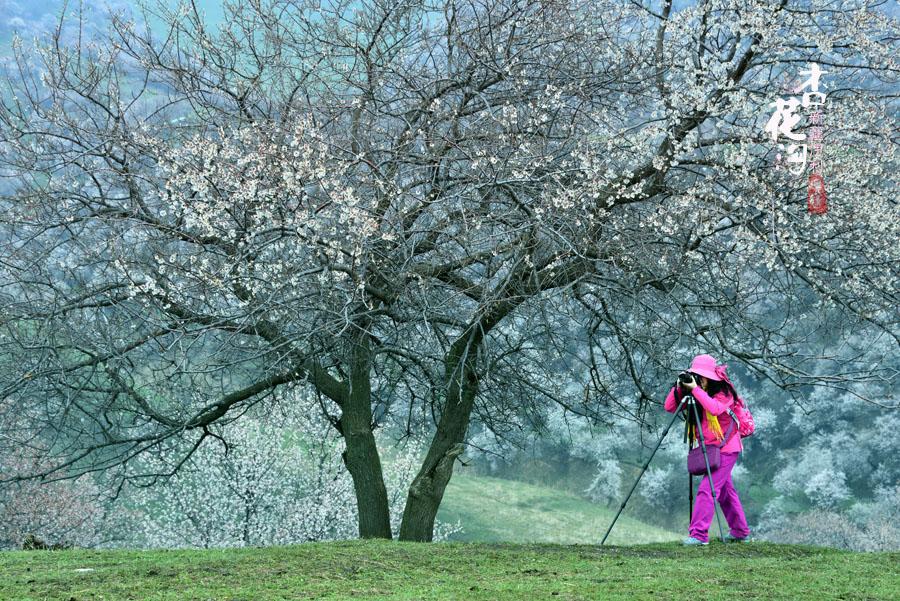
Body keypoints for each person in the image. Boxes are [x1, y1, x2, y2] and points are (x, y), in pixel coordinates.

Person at [663, 353, 751, 546]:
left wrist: (695, 390)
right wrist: (678, 386)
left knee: (707, 489)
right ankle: (740, 532)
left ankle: (699, 535)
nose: (699, 379)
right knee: (726, 492)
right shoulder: (694, 390)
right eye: (696, 375)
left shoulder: (724, 392)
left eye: (701, 376)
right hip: (710, 449)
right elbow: (669, 407)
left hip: (727, 448)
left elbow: (715, 409)